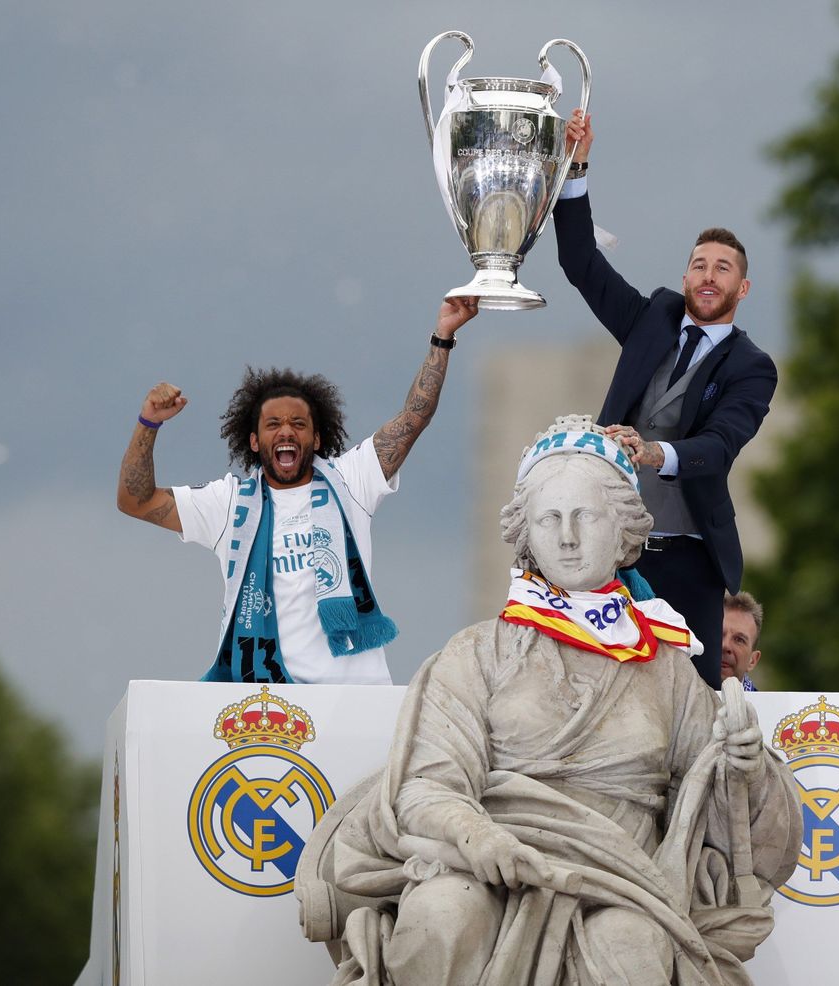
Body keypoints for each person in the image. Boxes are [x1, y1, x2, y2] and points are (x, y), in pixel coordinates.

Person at [297, 416, 801, 986]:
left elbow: (729, 816)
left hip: (620, 881)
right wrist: (477, 837)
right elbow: (426, 786)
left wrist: (747, 765)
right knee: (441, 914)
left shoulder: (668, 667)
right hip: (486, 865)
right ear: (527, 533)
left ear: (624, 530)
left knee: (631, 949)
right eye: (549, 518)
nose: (566, 537)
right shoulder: (477, 653)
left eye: (584, 516)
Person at [115, 298, 479, 684]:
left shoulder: (351, 480)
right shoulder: (228, 503)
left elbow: (414, 417)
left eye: (298, 424)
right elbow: (135, 501)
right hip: (269, 709)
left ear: (317, 438)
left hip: (355, 704)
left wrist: (443, 337)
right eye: (273, 424)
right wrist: (148, 423)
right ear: (254, 441)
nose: (286, 431)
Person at [553, 109, 778, 690]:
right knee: (593, 689)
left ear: (741, 288)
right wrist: (577, 164)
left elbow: (719, 445)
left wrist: (655, 453)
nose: (708, 275)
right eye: (698, 265)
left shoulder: (753, 368)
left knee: (688, 703)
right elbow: (581, 263)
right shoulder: (653, 316)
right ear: (684, 279)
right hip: (613, 547)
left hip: (688, 554)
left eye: (722, 268)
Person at [721, 590, 765, 691]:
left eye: (739, 640)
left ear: (752, 661)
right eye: (719, 635)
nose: (725, 645)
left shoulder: (765, 706)